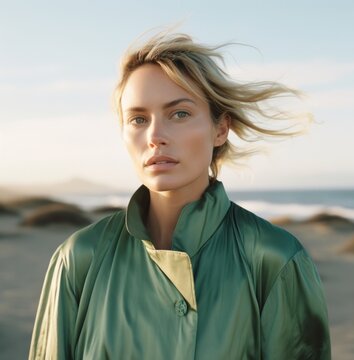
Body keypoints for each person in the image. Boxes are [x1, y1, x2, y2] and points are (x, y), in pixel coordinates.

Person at [29, 32, 331, 359]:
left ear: (220, 129)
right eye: (138, 119)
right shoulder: (78, 258)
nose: (155, 136)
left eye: (180, 114)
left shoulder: (274, 259)